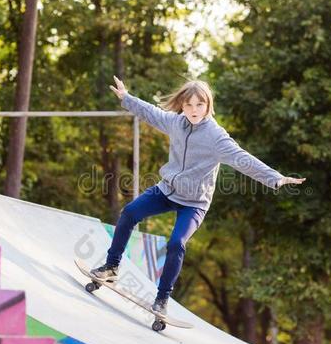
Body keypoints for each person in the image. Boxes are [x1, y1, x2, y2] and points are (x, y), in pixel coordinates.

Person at [91, 75, 306, 316]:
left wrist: (274, 178)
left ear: (208, 106)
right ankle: (111, 267)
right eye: (189, 105)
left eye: (199, 105)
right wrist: (126, 98)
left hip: (194, 204)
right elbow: (151, 113)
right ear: (182, 105)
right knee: (129, 212)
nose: (194, 110)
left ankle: (162, 299)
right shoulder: (176, 122)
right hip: (167, 190)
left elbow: (242, 158)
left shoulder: (216, 136)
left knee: (176, 243)